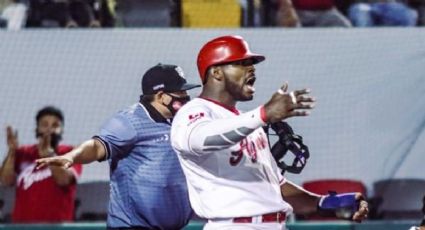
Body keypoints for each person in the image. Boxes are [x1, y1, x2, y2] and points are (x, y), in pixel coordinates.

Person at [170, 35, 369, 230]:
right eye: (242, 62)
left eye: (252, 62)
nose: (252, 68)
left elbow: (276, 187)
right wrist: (263, 114)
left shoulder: (247, 121)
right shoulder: (195, 111)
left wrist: (326, 203)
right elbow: (202, 139)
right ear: (216, 73)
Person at [36, 63, 200, 229]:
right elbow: (96, 146)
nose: (186, 96)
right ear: (160, 95)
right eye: (180, 92)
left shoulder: (181, 122)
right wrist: (71, 156)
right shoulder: (129, 121)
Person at [0, 106, 82, 223]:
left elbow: (63, 179)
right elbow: (5, 180)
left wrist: (49, 156)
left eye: (55, 125)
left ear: (62, 130)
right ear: (37, 129)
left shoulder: (71, 153)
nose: (49, 129)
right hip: (22, 227)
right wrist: (12, 151)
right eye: (44, 124)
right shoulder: (23, 153)